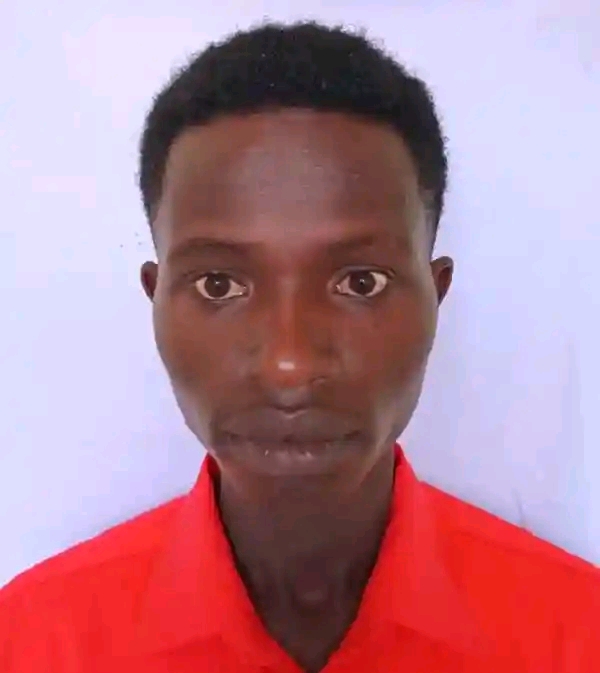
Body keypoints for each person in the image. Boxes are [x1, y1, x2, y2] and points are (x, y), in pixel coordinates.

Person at [1, 20, 598, 673]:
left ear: (437, 295)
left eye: (361, 282)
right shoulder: (30, 645)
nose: (289, 365)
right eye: (219, 284)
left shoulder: (577, 636)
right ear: (156, 296)